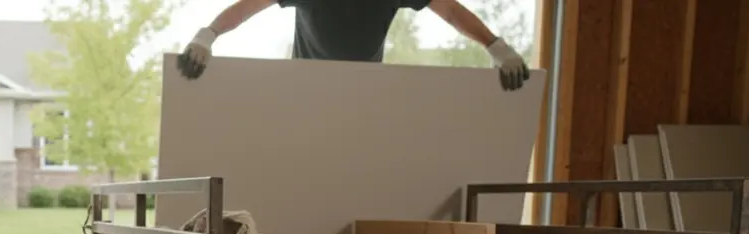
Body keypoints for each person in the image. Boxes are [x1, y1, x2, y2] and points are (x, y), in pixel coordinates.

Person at [178, 0, 530, 91]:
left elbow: (450, 10)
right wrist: (207, 35)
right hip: (304, 88)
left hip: (363, 93)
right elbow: (248, 7)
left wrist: (497, 47)